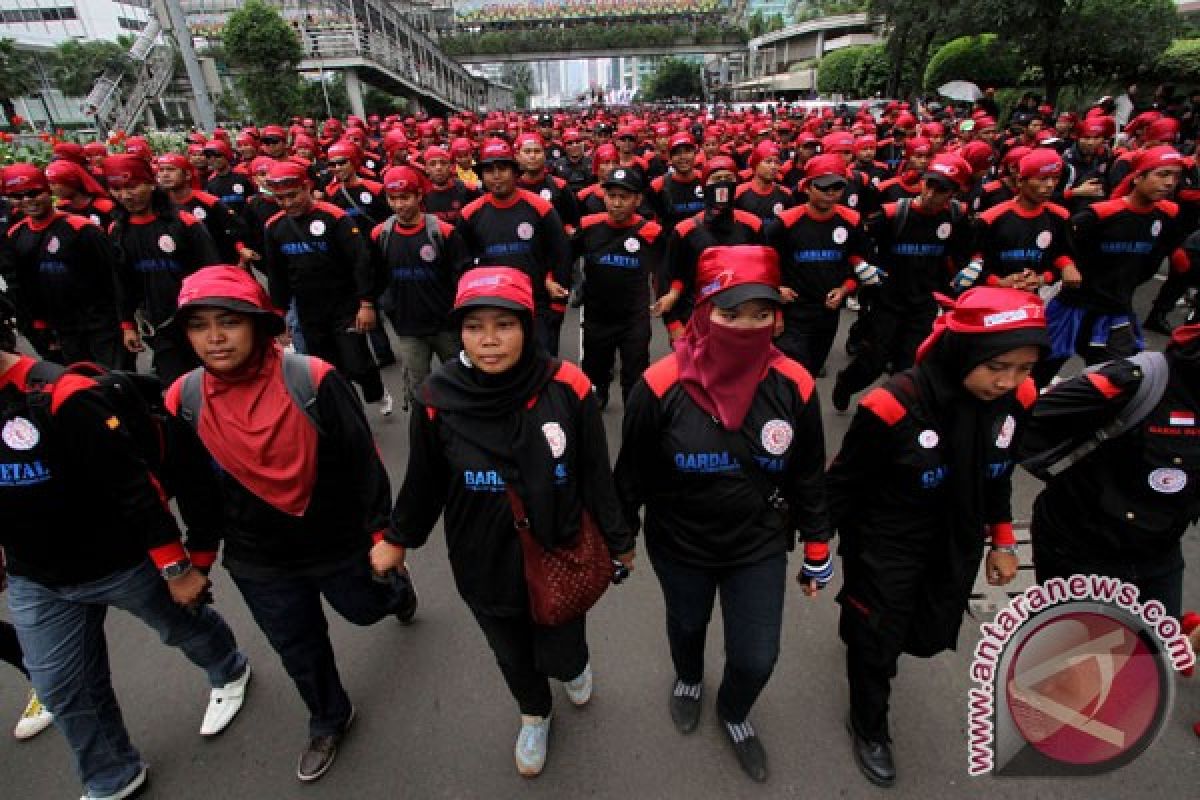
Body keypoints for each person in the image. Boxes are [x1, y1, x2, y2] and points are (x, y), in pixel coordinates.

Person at [164, 265, 417, 783]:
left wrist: (384, 537)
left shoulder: (312, 379)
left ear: (259, 325)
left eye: (229, 322)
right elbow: (195, 489)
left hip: (336, 541)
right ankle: (329, 715)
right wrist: (199, 558)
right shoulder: (183, 398)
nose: (214, 338)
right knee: (298, 645)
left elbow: (362, 461)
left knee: (366, 609)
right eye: (199, 325)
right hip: (259, 559)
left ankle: (396, 592)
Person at [380, 267, 635, 778]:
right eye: (474, 327)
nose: (489, 341)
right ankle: (535, 713)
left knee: (562, 648)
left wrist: (620, 540)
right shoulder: (436, 398)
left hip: (558, 549)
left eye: (504, 324)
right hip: (483, 557)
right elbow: (424, 482)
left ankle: (574, 665)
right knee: (512, 652)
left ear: (528, 326)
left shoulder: (569, 386)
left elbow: (594, 475)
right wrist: (398, 539)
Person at [0, 291, 249, 800]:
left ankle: (228, 667)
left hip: (119, 561)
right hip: (36, 579)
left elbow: (135, 490)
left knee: (182, 627)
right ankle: (112, 776)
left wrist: (180, 568)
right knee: (62, 689)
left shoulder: (63, 396)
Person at [615, 245, 831, 783]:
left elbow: (807, 473)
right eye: (730, 313)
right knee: (687, 626)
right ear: (702, 312)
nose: (746, 326)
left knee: (757, 658)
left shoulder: (794, 384)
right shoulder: (660, 385)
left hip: (757, 544)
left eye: (760, 314)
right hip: (679, 543)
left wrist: (819, 546)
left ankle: (734, 711)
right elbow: (630, 476)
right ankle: (689, 679)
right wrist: (618, 543)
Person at [828, 287, 1046, 787]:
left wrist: (1004, 539)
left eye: (1024, 368)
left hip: (954, 539)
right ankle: (869, 726)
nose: (1009, 381)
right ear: (963, 353)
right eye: (998, 366)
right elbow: (841, 484)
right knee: (877, 641)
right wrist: (815, 549)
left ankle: (859, 623)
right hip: (887, 541)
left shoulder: (1018, 400)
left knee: (921, 631)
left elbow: (997, 473)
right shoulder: (891, 405)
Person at [1020, 321, 1200, 619]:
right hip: (1081, 549)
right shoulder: (1137, 382)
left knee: (1156, 656)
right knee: (1074, 657)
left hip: (1158, 554)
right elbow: (1020, 430)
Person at [261, 160, 394, 416]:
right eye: (280, 199)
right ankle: (350, 413)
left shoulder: (335, 217)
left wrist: (366, 303)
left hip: (346, 306)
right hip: (309, 311)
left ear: (307, 187)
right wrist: (279, 316)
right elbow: (277, 275)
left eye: (293, 195)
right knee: (329, 369)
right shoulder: (274, 227)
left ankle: (376, 393)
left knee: (357, 364)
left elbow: (360, 262)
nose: (288, 203)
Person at [105, 153, 222, 384]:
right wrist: (128, 325)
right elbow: (121, 283)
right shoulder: (117, 231)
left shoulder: (185, 224)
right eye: (117, 189)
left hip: (196, 320)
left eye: (132, 186)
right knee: (176, 387)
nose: (125, 196)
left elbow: (212, 274)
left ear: (150, 183)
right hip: (158, 327)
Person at [371, 165, 469, 406]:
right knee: (419, 388)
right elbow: (375, 276)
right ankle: (425, 433)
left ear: (418, 196)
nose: (399, 205)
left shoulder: (443, 232)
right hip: (408, 327)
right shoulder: (380, 235)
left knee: (459, 379)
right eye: (393, 199)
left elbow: (462, 275)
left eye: (405, 198)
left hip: (445, 323)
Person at [572, 167, 663, 408]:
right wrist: (553, 280)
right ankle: (597, 400)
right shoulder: (589, 226)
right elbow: (563, 257)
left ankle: (634, 416)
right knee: (595, 371)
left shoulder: (651, 232)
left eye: (624, 197)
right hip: (597, 315)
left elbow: (668, 266)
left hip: (634, 318)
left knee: (635, 374)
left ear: (638, 199)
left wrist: (670, 292)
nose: (617, 203)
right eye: (612, 196)